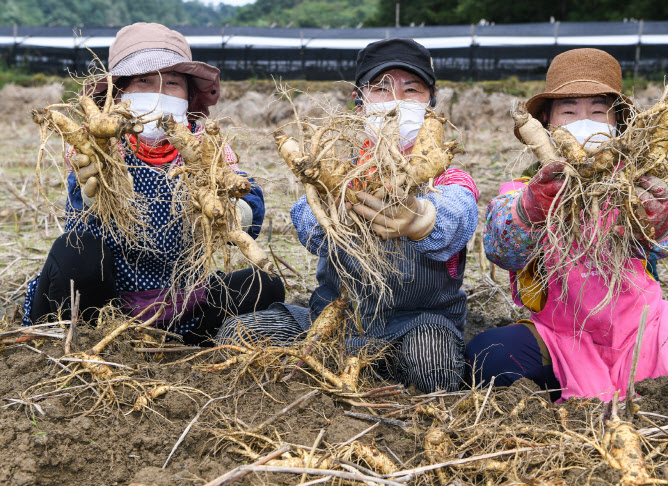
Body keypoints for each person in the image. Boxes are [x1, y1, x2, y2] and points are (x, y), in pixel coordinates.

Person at [217, 39, 480, 393]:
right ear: (359, 103)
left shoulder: (448, 177)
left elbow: (459, 213)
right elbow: (307, 223)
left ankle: (383, 375)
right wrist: (333, 209)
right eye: (381, 89)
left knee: (432, 365)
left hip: (419, 322)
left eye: (411, 90)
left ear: (431, 104)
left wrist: (422, 218)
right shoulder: (338, 171)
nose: (395, 101)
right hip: (335, 319)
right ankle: (343, 366)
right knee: (237, 334)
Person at [465, 48, 668, 402]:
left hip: (645, 331)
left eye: (598, 111)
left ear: (618, 125)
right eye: (569, 111)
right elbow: (501, 250)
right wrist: (532, 208)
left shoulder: (641, 186)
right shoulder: (522, 190)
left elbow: (666, 243)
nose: (585, 122)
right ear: (547, 123)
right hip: (560, 337)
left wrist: (659, 220)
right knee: (490, 356)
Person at [22, 22, 285, 345]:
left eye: (172, 82)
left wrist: (238, 211)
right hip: (104, 302)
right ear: (119, 94)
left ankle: (186, 347)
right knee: (75, 253)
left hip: (182, 301)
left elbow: (245, 190)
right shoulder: (95, 146)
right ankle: (76, 342)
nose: (159, 92)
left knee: (265, 284)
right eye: (144, 81)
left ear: (189, 96)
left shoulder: (208, 147)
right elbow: (80, 213)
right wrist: (93, 196)